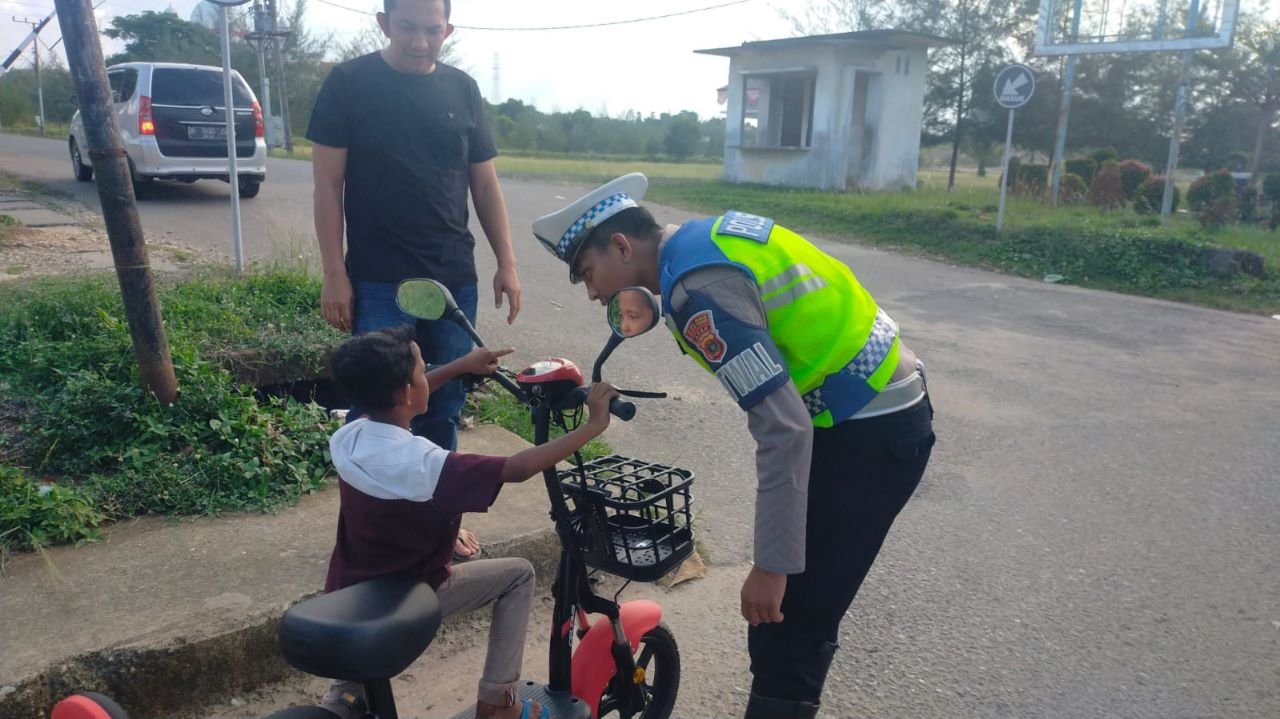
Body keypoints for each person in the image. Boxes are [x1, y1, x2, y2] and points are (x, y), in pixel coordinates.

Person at [532, 174, 936, 719]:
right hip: (876, 400)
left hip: (870, 433)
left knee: (786, 627)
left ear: (622, 246)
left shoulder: (696, 291)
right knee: (791, 621)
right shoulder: (709, 236)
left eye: (587, 273)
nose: (592, 293)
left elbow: (783, 428)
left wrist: (772, 565)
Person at [307, 0, 517, 560]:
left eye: (432, 30)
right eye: (407, 27)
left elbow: (485, 185)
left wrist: (507, 262)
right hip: (376, 278)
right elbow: (327, 186)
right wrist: (334, 273)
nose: (421, 41)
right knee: (376, 412)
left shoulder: (463, 89)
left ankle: (439, 525)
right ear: (384, 24)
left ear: (448, 29)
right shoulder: (349, 83)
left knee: (442, 407)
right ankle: (370, 528)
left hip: (452, 277)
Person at [322, 325, 618, 719]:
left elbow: (396, 400)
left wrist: (462, 365)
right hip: (410, 588)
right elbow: (517, 467)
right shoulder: (428, 464)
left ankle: (342, 698)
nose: (428, 375)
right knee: (519, 574)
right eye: (423, 370)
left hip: (349, 587)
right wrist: (593, 426)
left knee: (351, 693)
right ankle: (498, 702)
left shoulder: (349, 435)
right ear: (407, 393)